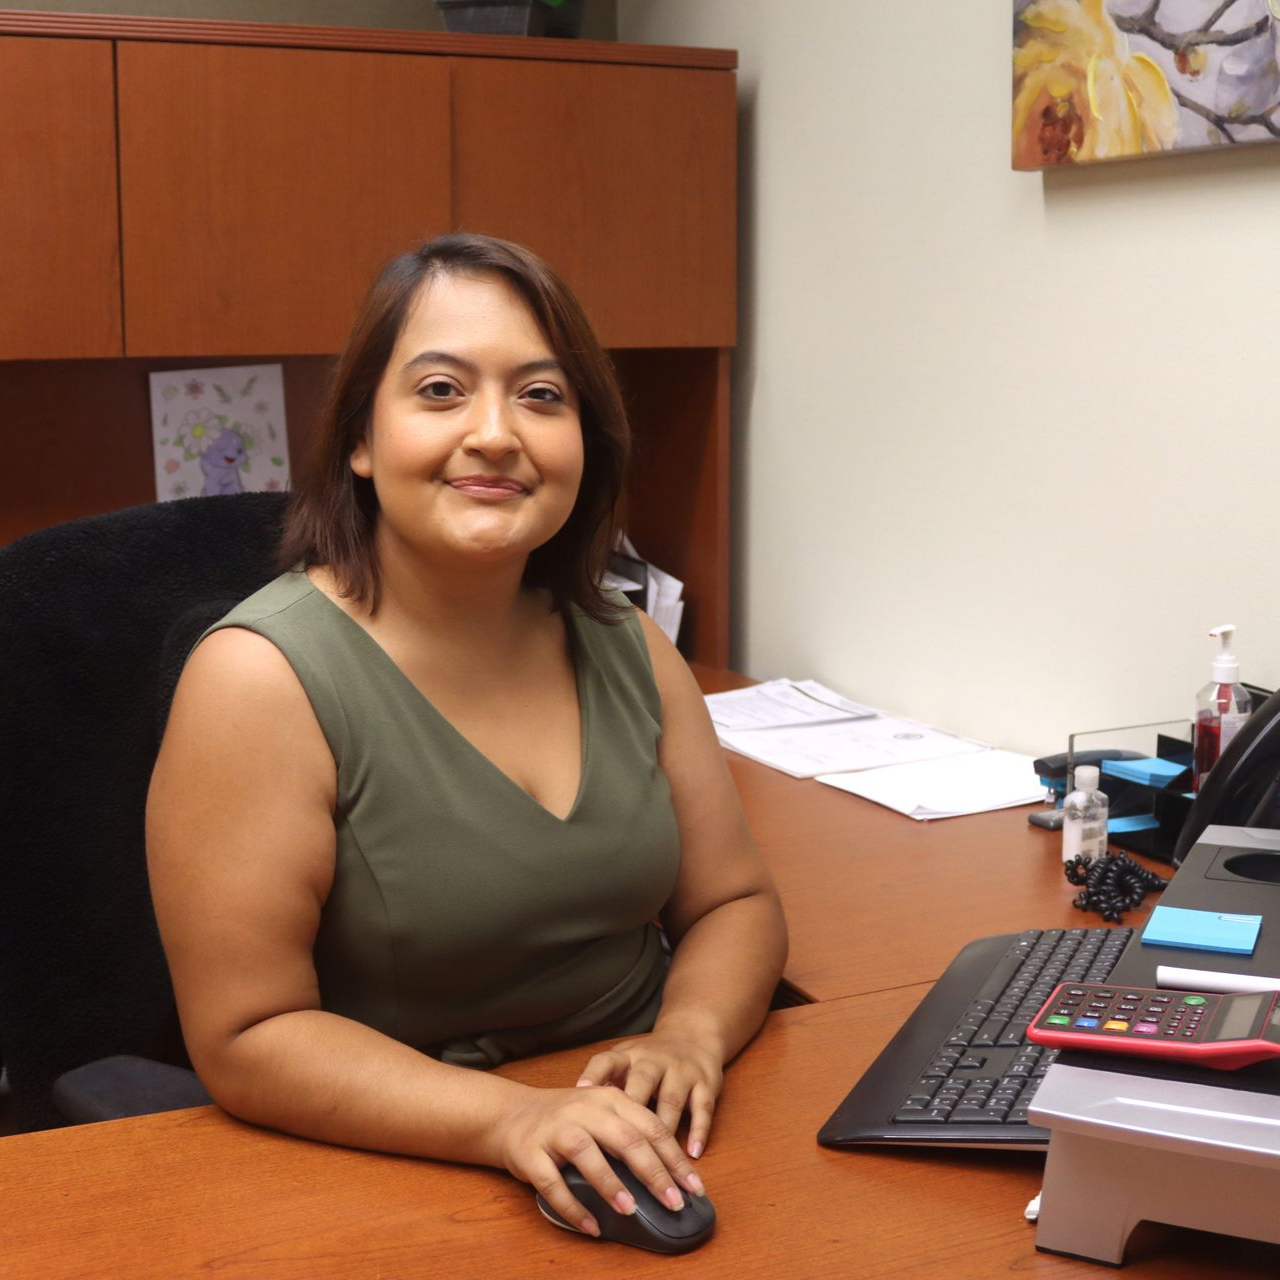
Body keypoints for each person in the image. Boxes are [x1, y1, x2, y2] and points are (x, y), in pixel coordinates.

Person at [147, 233, 788, 1238]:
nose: (495, 433)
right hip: (409, 1165)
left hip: (661, 1139)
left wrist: (689, 1037)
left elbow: (734, 900)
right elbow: (246, 1034)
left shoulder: (627, 644)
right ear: (359, 439)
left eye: (541, 396)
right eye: (441, 390)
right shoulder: (258, 679)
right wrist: (517, 1117)